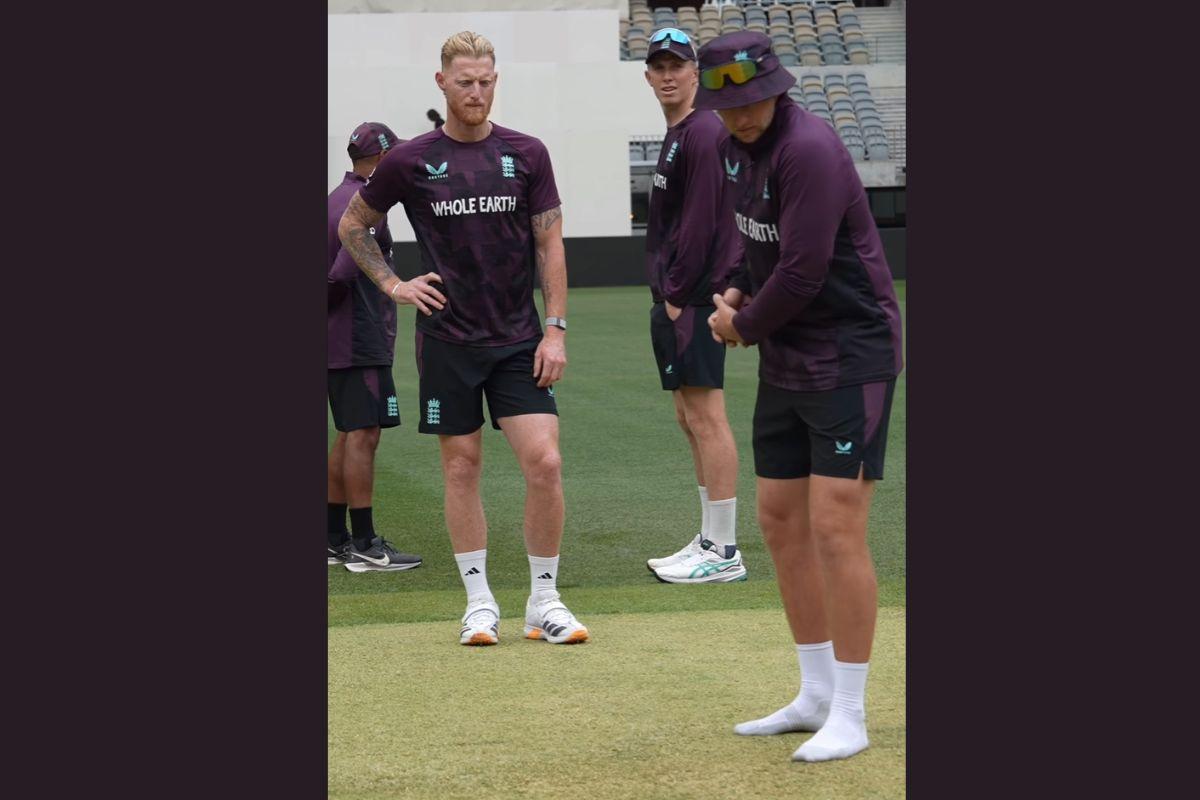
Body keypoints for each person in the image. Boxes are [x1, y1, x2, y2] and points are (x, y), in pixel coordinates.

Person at [338, 31, 588, 646]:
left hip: (518, 340)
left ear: (495, 81)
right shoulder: (410, 159)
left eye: (486, 81)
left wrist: (555, 329)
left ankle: (544, 600)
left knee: (546, 463)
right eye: (465, 81)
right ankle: (479, 602)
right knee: (461, 467)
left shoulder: (527, 153)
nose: (476, 92)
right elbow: (353, 225)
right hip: (447, 340)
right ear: (442, 83)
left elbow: (549, 244)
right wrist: (395, 285)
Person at [697, 31, 903, 762]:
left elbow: (806, 268)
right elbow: (748, 241)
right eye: (728, 104)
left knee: (836, 526)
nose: (742, 114)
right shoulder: (730, 147)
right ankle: (814, 693)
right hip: (788, 355)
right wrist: (730, 287)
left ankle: (850, 711)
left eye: (752, 99)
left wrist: (740, 325)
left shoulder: (808, 149)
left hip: (850, 353)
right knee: (780, 521)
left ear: (776, 87)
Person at [640, 28, 746, 584]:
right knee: (689, 416)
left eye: (677, 65)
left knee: (707, 416)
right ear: (647, 74)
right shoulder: (680, 131)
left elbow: (706, 222)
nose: (667, 75)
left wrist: (679, 297)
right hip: (675, 296)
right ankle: (710, 536)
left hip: (693, 299)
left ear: (694, 71)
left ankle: (724, 551)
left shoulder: (703, 131)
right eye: (658, 66)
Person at [327, 122, 423, 573]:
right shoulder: (365, 205)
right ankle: (364, 543)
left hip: (343, 339)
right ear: (382, 160)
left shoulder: (334, 197)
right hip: (357, 339)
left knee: (349, 433)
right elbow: (342, 274)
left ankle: (332, 538)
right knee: (363, 435)